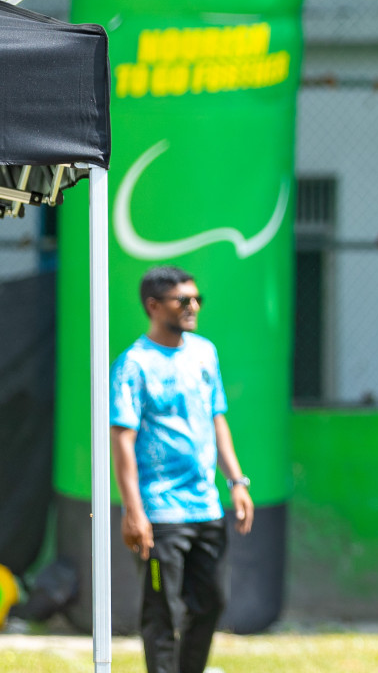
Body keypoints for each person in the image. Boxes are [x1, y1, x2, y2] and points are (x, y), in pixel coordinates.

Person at [110, 266, 253, 673]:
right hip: (160, 511)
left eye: (196, 299)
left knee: (211, 604)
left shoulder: (205, 352)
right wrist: (134, 511)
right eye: (183, 300)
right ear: (154, 307)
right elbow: (122, 439)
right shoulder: (133, 365)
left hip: (205, 505)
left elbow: (217, 418)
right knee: (163, 612)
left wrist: (236, 482)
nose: (193, 307)